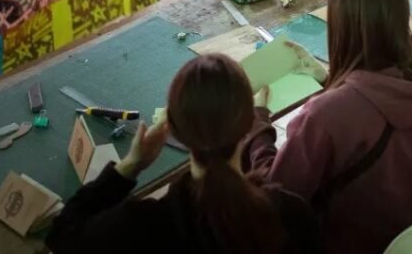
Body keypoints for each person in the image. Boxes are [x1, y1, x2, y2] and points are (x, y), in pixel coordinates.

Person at [245, 0, 412, 254]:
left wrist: (257, 129)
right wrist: (331, 81)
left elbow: (277, 195)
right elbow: (371, 103)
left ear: (341, 28)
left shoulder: (327, 115)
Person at [46, 54, 323, 254]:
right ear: (248, 125)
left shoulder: (138, 227)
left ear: (174, 130)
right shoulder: (290, 215)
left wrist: (130, 166)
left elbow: (62, 235)